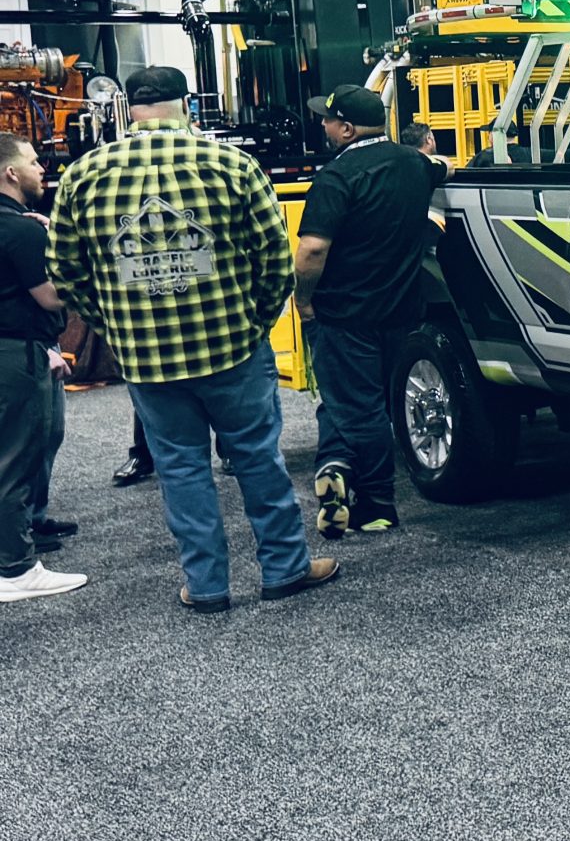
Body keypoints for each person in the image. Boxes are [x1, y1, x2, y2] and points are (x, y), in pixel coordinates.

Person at [49, 66, 338, 612]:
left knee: (180, 468)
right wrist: (255, 321)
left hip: (147, 357)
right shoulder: (232, 165)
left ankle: (206, 587)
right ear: (186, 105)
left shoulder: (82, 176)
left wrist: (115, 326)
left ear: (129, 109)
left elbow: (65, 272)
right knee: (257, 458)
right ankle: (285, 569)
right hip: (232, 345)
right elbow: (275, 260)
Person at [299, 85, 452, 538]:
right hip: (401, 310)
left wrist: (303, 299)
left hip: (345, 314)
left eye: (328, 120)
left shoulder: (336, 177)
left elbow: (311, 250)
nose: (323, 126)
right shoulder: (414, 163)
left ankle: (377, 503)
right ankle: (335, 463)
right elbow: (444, 166)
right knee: (358, 400)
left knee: (357, 405)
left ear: (346, 129)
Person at [0, 133, 82, 603]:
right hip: (17, 353)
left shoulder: (19, 226)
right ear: (11, 173)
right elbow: (50, 296)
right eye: (33, 162)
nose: (42, 169)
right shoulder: (22, 230)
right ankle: (16, 568)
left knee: (30, 445)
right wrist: (82, 267)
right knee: (15, 456)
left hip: (21, 345)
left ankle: (26, 530)